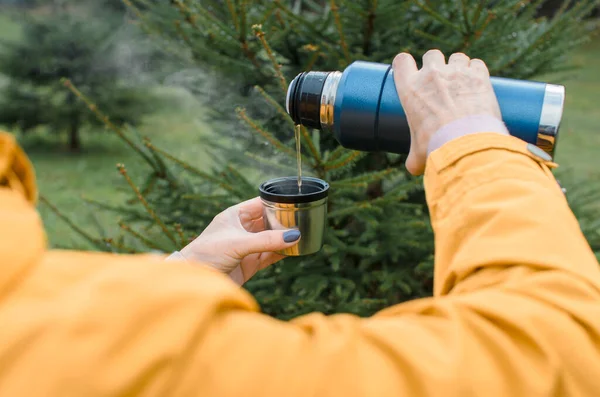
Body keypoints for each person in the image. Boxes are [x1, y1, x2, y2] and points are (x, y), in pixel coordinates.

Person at [1, 50, 599, 397]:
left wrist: (172, 278)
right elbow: (562, 347)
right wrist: (470, 138)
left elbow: (68, 340)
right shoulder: (164, 363)